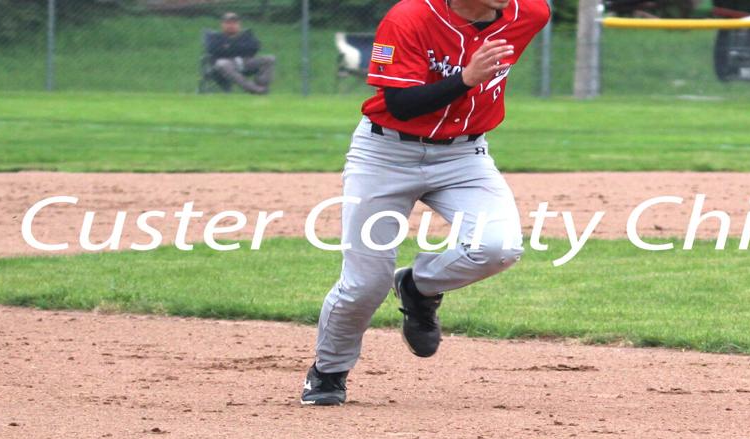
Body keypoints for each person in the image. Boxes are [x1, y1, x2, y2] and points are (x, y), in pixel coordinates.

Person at [301, 0, 552, 407]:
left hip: (464, 158)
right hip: (385, 156)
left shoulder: (530, 13)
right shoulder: (409, 17)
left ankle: (417, 286)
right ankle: (328, 371)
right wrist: (467, 79)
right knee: (365, 284)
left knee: (498, 248)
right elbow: (400, 103)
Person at [205, 12, 276, 95]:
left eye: (234, 23)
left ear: (239, 25)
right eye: (228, 23)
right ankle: (254, 89)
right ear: (222, 25)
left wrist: (229, 47)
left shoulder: (247, 35)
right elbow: (213, 49)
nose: (231, 25)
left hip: (246, 62)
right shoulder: (215, 37)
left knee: (269, 59)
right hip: (224, 65)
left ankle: (261, 86)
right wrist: (240, 47)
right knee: (222, 63)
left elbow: (255, 47)